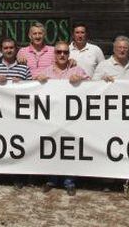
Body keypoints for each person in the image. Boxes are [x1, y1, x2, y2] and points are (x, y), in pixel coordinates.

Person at [35, 41, 89, 196]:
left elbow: (94, 87)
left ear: (69, 54)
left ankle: (69, 181)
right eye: (59, 52)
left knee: (69, 149)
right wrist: (37, 80)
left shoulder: (76, 69)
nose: (62, 55)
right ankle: (51, 179)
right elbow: (31, 88)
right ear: (54, 54)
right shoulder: (46, 71)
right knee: (51, 147)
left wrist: (81, 80)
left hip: (72, 118)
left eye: (65, 52)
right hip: (50, 118)